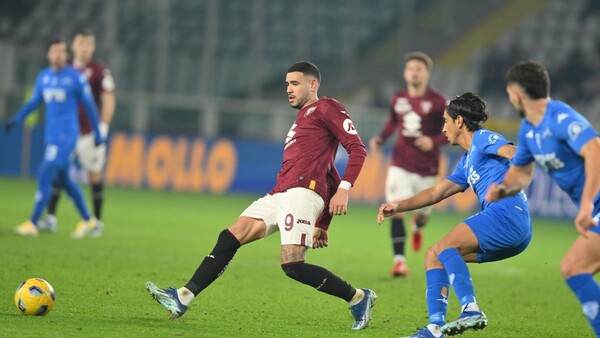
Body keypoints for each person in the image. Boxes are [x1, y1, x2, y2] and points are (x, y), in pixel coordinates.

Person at [145, 61, 377, 330]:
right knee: (232, 235)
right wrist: (323, 223)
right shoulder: (302, 118)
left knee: (293, 266)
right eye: (287, 84)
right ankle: (183, 297)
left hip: (302, 193)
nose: (288, 89)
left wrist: (345, 190)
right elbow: (327, 170)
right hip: (280, 194)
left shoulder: (327, 107)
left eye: (295, 83)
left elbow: (358, 149)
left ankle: (358, 297)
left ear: (313, 84)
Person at [378, 93, 532, 337]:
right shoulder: (467, 160)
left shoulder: (482, 138)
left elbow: (513, 152)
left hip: (507, 214)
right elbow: (437, 192)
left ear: (459, 121)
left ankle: (471, 309)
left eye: (445, 121)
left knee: (444, 247)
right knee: (433, 255)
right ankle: (435, 327)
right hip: (515, 231)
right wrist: (398, 206)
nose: (443, 128)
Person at [486, 60, 600, 337]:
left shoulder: (559, 117)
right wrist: (502, 189)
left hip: (596, 205)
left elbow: (595, 151)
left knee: (574, 267)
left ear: (516, 95)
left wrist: (586, 203)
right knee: (577, 267)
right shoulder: (528, 130)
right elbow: (521, 175)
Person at [4, 36, 104, 238]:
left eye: (61, 51)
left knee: (45, 171)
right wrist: (16, 119)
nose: (58, 55)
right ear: (48, 54)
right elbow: (34, 102)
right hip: (51, 136)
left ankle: (32, 222)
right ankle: (89, 220)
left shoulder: (75, 78)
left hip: (67, 136)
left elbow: (89, 106)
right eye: (54, 51)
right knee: (65, 179)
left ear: (66, 55)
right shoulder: (44, 77)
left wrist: (97, 132)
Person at [370, 51, 448, 277]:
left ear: (427, 74)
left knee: (422, 215)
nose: (414, 73)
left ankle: (418, 227)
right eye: (410, 69)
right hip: (400, 164)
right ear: (405, 73)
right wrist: (380, 138)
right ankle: (400, 261)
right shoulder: (398, 99)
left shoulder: (438, 102)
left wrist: (432, 141)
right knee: (396, 208)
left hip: (428, 169)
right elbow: (393, 123)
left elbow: (450, 132)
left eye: (419, 69)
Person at [38, 29, 116, 236]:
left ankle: (96, 223)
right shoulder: (65, 69)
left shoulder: (100, 70)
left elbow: (108, 100)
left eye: (89, 44)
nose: (85, 48)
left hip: (90, 133)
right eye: (81, 43)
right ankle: (51, 218)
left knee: (94, 175)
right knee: (58, 171)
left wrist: (103, 127)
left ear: (93, 46)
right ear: (73, 46)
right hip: (67, 132)